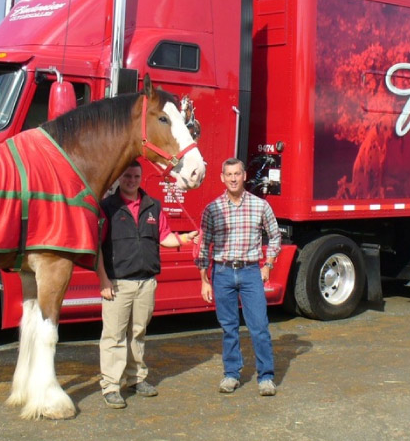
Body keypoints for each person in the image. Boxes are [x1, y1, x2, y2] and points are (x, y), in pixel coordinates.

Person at [97, 161, 198, 409]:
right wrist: (103, 280)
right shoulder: (107, 208)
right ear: (120, 178)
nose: (132, 180)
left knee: (138, 333)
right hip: (118, 283)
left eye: (136, 176)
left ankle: (136, 379)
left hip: (146, 282)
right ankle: (111, 386)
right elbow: (96, 247)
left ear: (142, 178)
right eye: (127, 176)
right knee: (114, 336)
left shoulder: (153, 206)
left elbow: (165, 237)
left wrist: (186, 239)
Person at [196, 158, 281, 396]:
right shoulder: (212, 209)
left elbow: (274, 236)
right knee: (229, 328)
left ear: (244, 176)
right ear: (222, 178)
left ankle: (266, 377)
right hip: (222, 273)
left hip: (250, 272)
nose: (233, 178)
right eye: (228, 174)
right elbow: (204, 245)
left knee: (259, 327)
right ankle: (231, 374)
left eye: (237, 174)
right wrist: (203, 279)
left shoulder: (260, 206)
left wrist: (268, 264)